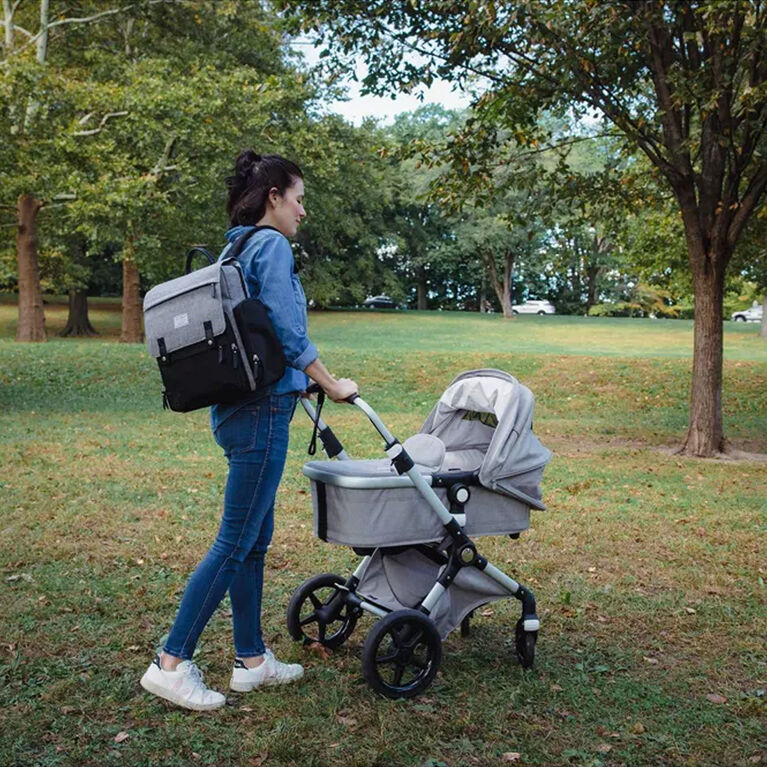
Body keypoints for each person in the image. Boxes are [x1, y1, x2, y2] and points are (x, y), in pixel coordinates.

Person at [140, 151, 358, 711]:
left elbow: (254, 332)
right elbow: (285, 327)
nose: (303, 211)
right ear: (274, 198)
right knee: (235, 542)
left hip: (236, 409)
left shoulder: (235, 245)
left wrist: (297, 381)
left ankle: (252, 660)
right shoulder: (272, 244)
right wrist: (329, 382)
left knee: (253, 543)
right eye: (299, 199)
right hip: (260, 415)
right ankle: (171, 661)